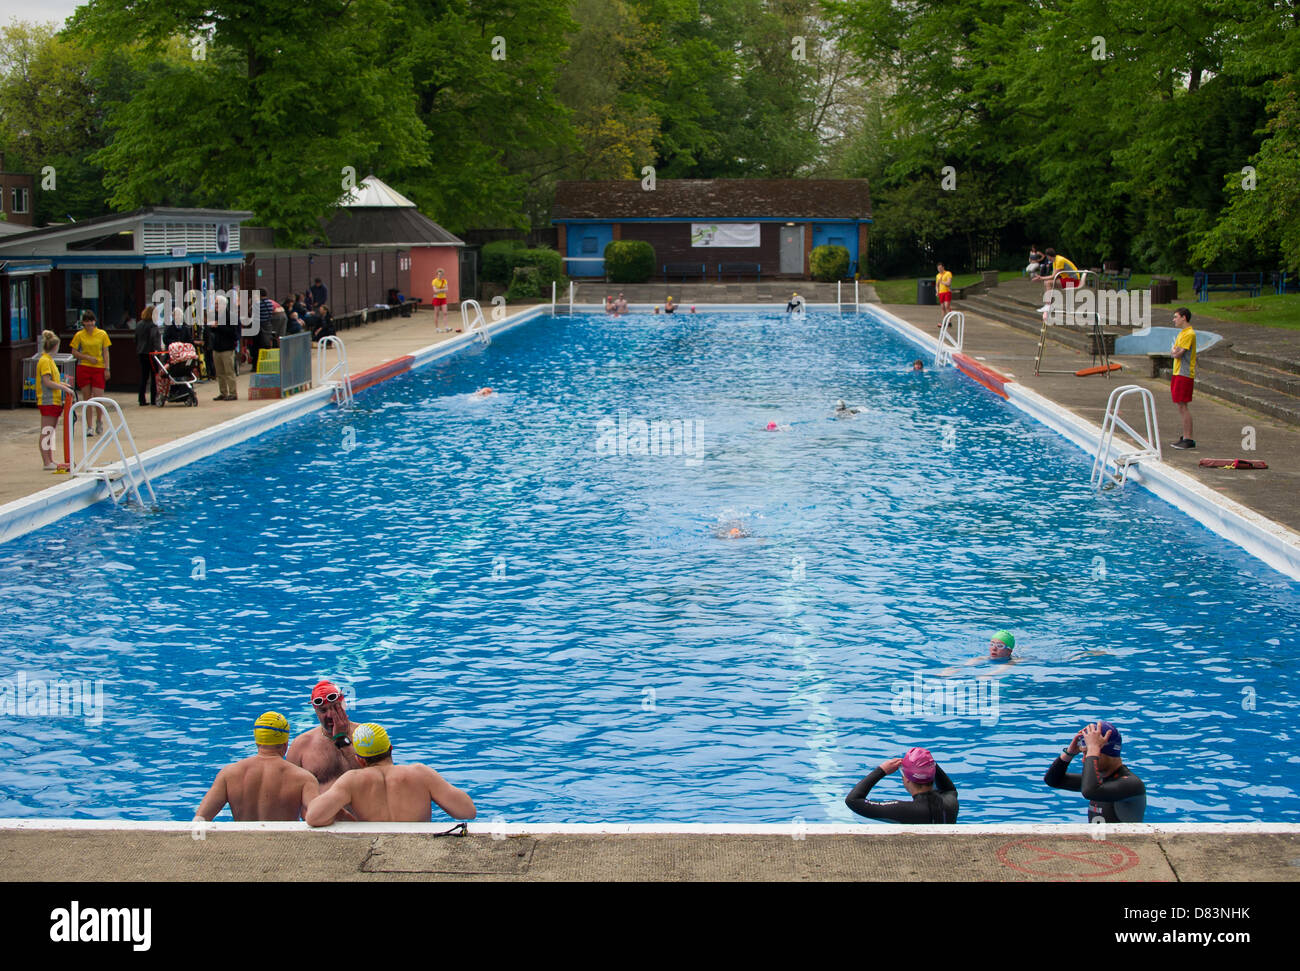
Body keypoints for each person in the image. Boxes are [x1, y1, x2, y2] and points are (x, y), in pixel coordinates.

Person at [305, 723, 477, 826]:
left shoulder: (352, 780)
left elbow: (314, 816)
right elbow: (467, 811)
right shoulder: (420, 773)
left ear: (360, 760)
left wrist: (344, 816)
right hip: (419, 850)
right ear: (391, 749)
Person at [194, 712, 322, 822]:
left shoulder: (228, 774)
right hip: (283, 847)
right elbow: (319, 815)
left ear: (257, 742)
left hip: (243, 847)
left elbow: (201, 818)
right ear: (285, 744)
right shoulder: (303, 778)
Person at [1044, 720, 1146, 821]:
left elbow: (1090, 792)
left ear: (1109, 753)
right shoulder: (1100, 781)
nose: (1084, 760)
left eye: (1088, 754)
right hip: (1099, 838)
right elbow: (1053, 780)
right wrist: (1069, 753)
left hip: (1124, 838)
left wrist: (1092, 748)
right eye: (1084, 754)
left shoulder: (1132, 785)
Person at [845, 747, 958, 824]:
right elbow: (949, 789)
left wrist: (881, 770)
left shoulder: (904, 810)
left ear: (907, 779)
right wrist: (927, 761)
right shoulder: (951, 803)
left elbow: (853, 800)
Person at [286, 680, 360, 790]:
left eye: (335, 707)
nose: (330, 715)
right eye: (323, 710)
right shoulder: (301, 745)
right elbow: (289, 790)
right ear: (315, 711)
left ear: (344, 705)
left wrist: (341, 739)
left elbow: (375, 780)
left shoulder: (365, 734)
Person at [36, 330, 76, 471]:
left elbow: (54, 380)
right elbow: (47, 382)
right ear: (55, 346)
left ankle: (50, 459)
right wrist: (63, 388)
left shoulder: (49, 360)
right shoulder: (45, 361)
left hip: (54, 400)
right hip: (48, 400)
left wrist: (64, 385)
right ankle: (46, 461)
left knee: (50, 432)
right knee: (47, 431)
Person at [68, 310, 111, 436]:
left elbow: (106, 351)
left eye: (91, 321)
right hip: (84, 367)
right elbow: (74, 352)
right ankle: (89, 426)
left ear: (95, 321)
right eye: (87, 322)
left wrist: (107, 368)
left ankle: (99, 420)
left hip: (98, 367)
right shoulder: (79, 335)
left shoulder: (102, 334)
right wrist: (86, 357)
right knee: (86, 398)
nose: (90, 324)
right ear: (83, 323)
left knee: (98, 397)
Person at [1169, 307, 1196, 449]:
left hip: (1184, 373)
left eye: (1176, 317)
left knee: (1183, 405)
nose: (1174, 319)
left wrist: (1175, 352)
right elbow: (1173, 351)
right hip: (1177, 372)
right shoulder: (1182, 333)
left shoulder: (1189, 334)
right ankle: (1185, 436)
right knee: (1180, 405)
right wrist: (1174, 352)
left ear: (1183, 317)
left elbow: (1177, 353)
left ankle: (1188, 438)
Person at [209, 293, 239, 400]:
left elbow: (234, 333)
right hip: (217, 347)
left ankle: (233, 393)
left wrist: (219, 326)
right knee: (220, 373)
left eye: (217, 304)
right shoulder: (215, 316)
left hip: (227, 348)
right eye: (215, 304)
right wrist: (212, 327)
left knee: (229, 372)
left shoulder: (231, 316)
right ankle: (223, 392)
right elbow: (213, 331)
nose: (216, 307)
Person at [135, 305, 161, 406]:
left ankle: (141, 399)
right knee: (154, 375)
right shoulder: (153, 325)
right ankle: (153, 399)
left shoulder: (139, 324)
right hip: (151, 353)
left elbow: (136, 338)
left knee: (143, 376)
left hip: (141, 352)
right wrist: (157, 350)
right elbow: (154, 339)